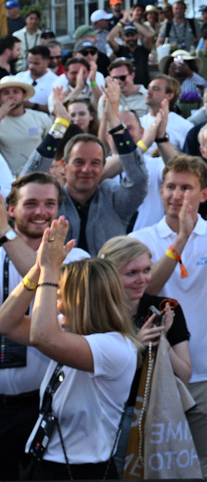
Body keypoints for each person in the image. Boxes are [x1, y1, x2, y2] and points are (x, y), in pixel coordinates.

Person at [129, 155, 207, 478]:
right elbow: (146, 288)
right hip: (156, 374)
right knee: (155, 468)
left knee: (202, 469)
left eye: (186, 188)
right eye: (170, 187)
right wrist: (181, 239)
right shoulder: (142, 239)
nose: (176, 195)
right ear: (161, 191)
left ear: (204, 195)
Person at [0, 218, 139, 480]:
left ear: (82, 300)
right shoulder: (70, 333)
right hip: (45, 463)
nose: (56, 306)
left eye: (59, 296)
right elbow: (6, 323)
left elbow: (43, 337)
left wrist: (51, 271)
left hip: (80, 472)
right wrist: (38, 271)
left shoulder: (116, 347)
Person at [0, 174, 89, 480]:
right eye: (31, 204)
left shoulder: (75, 257)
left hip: (44, 409)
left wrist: (4, 235)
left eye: (49, 204)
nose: (41, 212)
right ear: (11, 209)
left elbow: (48, 280)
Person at [22, 83, 146, 254]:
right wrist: (60, 125)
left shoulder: (115, 200)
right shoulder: (51, 201)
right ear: (64, 165)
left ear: (103, 167)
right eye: (79, 162)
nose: (86, 169)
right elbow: (26, 183)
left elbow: (138, 179)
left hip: (108, 279)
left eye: (95, 163)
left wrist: (115, 123)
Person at [97, 236, 192, 384]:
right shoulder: (94, 313)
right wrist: (135, 346)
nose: (142, 279)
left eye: (147, 270)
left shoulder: (166, 308)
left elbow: (185, 375)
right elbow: (99, 375)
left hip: (156, 405)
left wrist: (162, 341)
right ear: (109, 275)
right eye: (131, 273)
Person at [0, 76, 51, 176]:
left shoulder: (41, 117)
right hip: (8, 178)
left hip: (38, 176)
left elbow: (52, 145)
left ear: (23, 95)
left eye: (15, 92)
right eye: (6, 93)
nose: (11, 96)